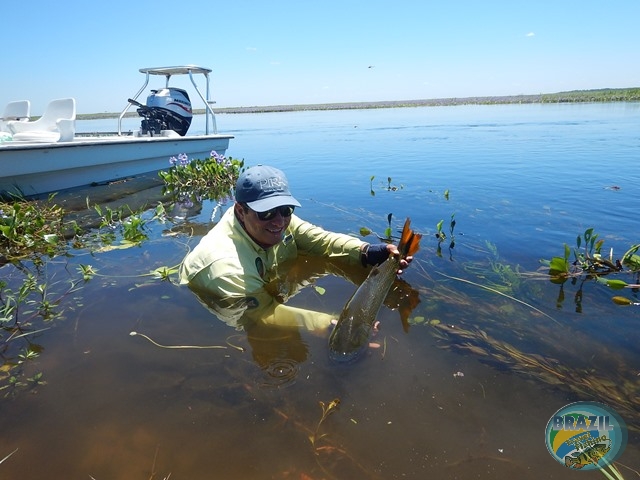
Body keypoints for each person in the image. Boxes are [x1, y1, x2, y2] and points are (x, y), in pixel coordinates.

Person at [178, 164, 412, 333]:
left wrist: (366, 251)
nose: (279, 221)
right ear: (241, 211)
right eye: (266, 212)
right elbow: (262, 314)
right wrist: (329, 324)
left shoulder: (278, 220)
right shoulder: (225, 266)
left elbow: (324, 241)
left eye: (285, 209)